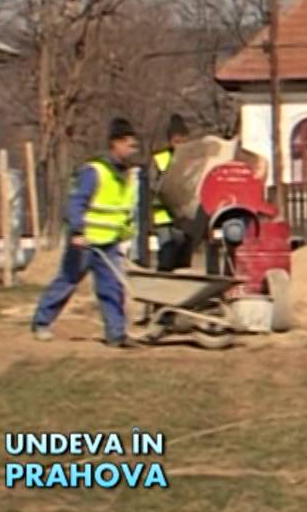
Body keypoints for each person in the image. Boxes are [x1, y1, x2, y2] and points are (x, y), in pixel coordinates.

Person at [32, 117, 140, 348]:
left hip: (109, 243)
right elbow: (76, 202)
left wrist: (126, 236)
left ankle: (116, 334)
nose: (133, 150)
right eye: (130, 145)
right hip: (85, 242)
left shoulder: (127, 175)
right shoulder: (94, 170)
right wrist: (77, 231)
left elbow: (124, 210)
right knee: (67, 281)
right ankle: (42, 322)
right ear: (116, 143)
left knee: (112, 287)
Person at [151, 113, 193, 272]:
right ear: (170, 140)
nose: (180, 144)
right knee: (167, 254)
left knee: (183, 257)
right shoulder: (160, 159)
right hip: (164, 216)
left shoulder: (193, 160)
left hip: (184, 218)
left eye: (183, 140)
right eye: (176, 140)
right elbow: (153, 186)